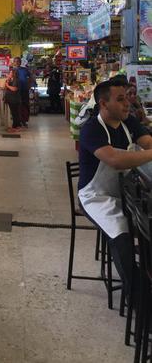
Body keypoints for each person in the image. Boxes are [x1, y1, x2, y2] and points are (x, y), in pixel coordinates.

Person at [78, 77, 152, 293]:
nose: (127, 103)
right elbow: (115, 160)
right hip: (95, 196)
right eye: (120, 99)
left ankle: (147, 279)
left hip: (125, 193)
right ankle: (138, 299)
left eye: (127, 97)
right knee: (121, 233)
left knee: (147, 226)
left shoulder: (129, 123)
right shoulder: (92, 129)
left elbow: (147, 142)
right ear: (103, 103)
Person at [13, 57, 31, 127]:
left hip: (24, 90)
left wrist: (29, 85)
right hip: (16, 91)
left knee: (25, 105)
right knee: (17, 106)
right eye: (16, 61)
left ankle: (24, 121)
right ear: (13, 62)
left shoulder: (24, 70)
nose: (17, 62)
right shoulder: (12, 70)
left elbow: (31, 77)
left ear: (20, 62)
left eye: (18, 61)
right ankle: (18, 121)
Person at [4, 66, 21, 132]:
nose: (9, 74)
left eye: (11, 73)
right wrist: (7, 80)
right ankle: (15, 126)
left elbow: (14, 89)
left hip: (14, 100)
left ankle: (16, 127)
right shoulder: (11, 80)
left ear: (14, 73)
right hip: (11, 99)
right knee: (14, 113)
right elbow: (4, 87)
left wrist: (7, 85)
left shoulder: (16, 80)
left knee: (15, 113)